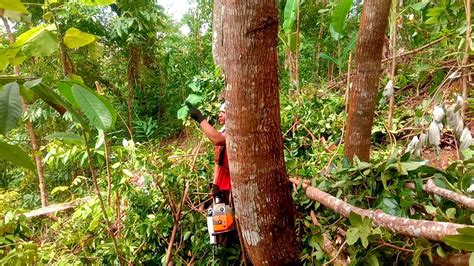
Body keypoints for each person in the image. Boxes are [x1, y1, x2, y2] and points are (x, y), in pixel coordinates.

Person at [186, 102, 231, 204]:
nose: (220, 114)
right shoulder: (222, 131)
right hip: (222, 186)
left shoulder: (234, 132)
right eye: (220, 112)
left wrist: (200, 118)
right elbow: (218, 162)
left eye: (223, 112)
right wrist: (215, 184)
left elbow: (217, 140)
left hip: (232, 187)